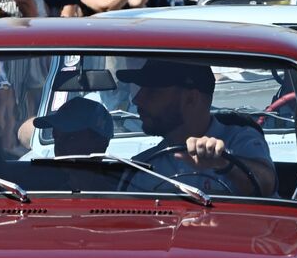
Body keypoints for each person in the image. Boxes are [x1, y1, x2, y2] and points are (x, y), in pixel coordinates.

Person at [122, 60, 276, 197]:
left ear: (191, 98)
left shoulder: (240, 140)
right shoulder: (143, 166)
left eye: (153, 92)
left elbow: (267, 186)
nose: (137, 100)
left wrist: (225, 163)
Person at [32, 97, 113, 157]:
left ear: (99, 143)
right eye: (55, 137)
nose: (59, 146)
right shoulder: (43, 177)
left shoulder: (120, 178)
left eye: (70, 138)